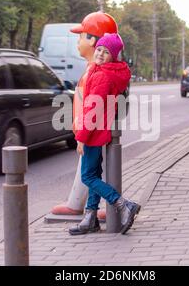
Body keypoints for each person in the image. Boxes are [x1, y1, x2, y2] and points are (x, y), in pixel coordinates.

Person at [68, 33, 141, 235]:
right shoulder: (106, 70)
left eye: (106, 52)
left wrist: (81, 138)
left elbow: (92, 110)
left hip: (93, 132)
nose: (100, 53)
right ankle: (90, 217)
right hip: (99, 129)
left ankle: (122, 204)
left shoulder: (101, 75)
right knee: (94, 173)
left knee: (88, 176)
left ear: (114, 56)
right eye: (99, 49)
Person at [51, 12, 118, 218]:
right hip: (93, 129)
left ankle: (114, 203)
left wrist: (81, 134)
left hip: (91, 130)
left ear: (92, 40)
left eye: (81, 36)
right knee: (92, 169)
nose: (78, 41)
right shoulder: (97, 70)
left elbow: (91, 106)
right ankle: (89, 208)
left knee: (89, 171)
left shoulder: (94, 73)